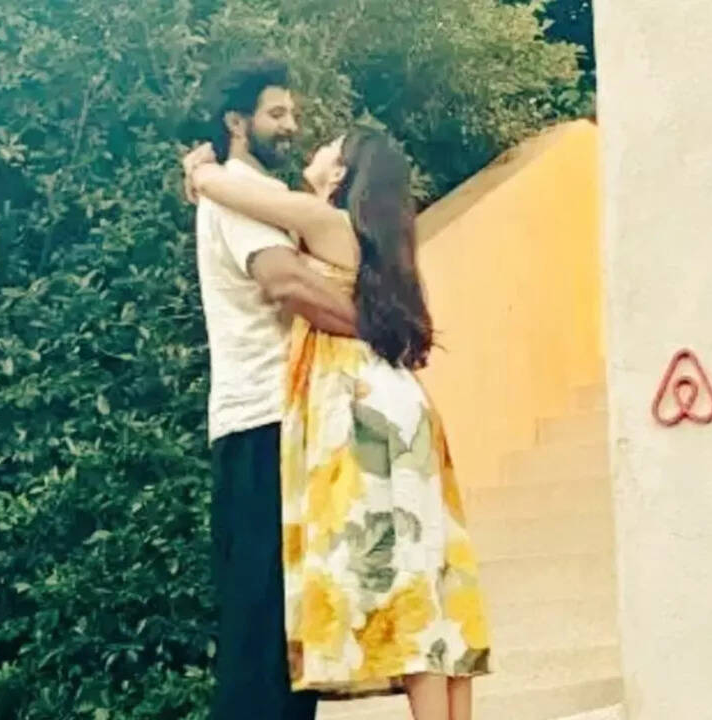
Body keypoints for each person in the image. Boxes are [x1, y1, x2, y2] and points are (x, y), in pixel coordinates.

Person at [183, 127, 493, 720]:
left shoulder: (323, 223)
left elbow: (234, 191)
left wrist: (200, 171)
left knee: (408, 584)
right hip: (399, 402)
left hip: (365, 408)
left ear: (341, 173)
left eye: (331, 145)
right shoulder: (375, 238)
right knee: (430, 574)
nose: (315, 146)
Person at [193, 58, 357, 720]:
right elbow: (285, 283)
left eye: (292, 114)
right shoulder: (237, 194)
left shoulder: (252, 193)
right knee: (262, 631)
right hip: (261, 423)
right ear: (237, 123)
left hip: (279, 422)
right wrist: (379, 325)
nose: (290, 125)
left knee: (286, 630)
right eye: (276, 114)